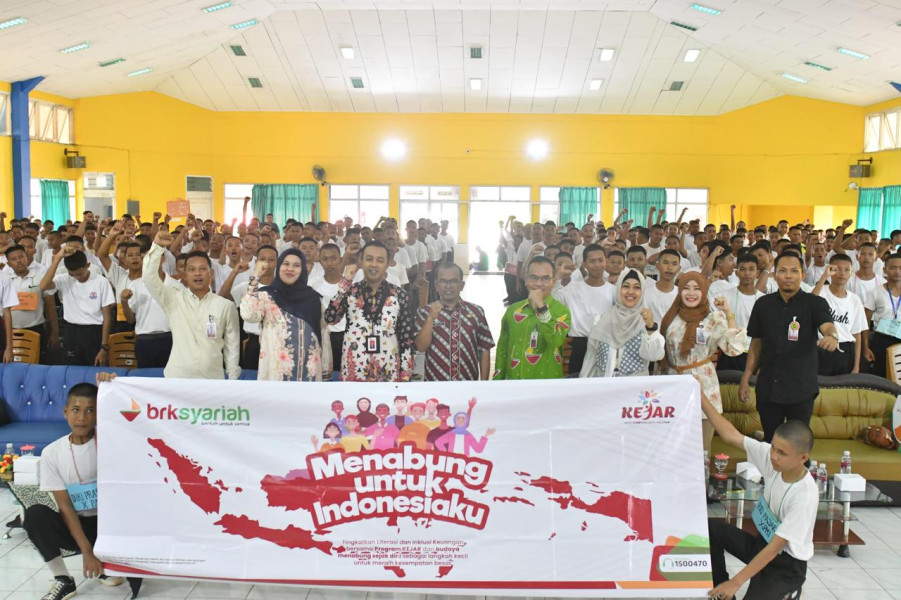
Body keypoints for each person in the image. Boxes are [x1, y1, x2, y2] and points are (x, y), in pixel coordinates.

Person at [702, 391, 817, 600]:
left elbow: (775, 548)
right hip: (761, 544)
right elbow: (730, 435)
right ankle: (722, 593)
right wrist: (700, 396)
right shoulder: (772, 459)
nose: (773, 456)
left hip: (786, 565)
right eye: (773, 447)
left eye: (782, 453)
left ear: (803, 458)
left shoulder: (805, 495)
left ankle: (790, 591)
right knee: (709, 529)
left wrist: (736, 582)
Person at [23, 379, 126, 600]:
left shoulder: (113, 441)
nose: (82, 417)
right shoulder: (53, 452)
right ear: (65, 412)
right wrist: (86, 551)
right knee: (34, 515)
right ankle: (63, 580)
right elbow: (66, 507)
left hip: (111, 525)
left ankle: (105, 564)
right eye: (76, 410)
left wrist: (114, 383)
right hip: (77, 524)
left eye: (90, 410)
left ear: (99, 413)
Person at [741, 253, 838, 443]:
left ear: (802, 275)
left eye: (794, 271)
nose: (788, 276)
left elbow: (827, 324)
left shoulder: (814, 303)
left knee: (797, 444)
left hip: (801, 388)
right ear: (774, 274)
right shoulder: (763, 304)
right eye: (783, 271)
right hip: (769, 386)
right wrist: (745, 377)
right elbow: (756, 344)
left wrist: (832, 336)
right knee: (771, 442)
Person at [660, 272, 746, 451]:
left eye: (697, 289)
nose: (691, 293)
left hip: (704, 385)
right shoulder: (671, 316)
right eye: (686, 288)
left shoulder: (713, 318)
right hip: (674, 383)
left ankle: (702, 479)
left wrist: (728, 313)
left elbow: (733, 348)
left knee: (701, 447)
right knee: (672, 446)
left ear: (704, 292)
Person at [142, 231, 241, 379]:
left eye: (202, 269)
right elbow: (149, 278)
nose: (197, 274)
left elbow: (232, 346)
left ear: (211, 274)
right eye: (191, 270)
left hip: (212, 380)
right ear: (185, 274)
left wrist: (232, 378)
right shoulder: (173, 298)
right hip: (177, 378)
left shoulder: (225, 306)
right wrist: (157, 247)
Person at [324, 241, 415, 382]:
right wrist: (345, 283)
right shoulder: (349, 292)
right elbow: (330, 318)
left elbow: (406, 338)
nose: (374, 264)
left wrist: (405, 374)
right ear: (361, 262)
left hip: (388, 369)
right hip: (354, 368)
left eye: (380, 260)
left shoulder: (399, 295)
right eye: (369, 259)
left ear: (386, 264)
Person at [240, 248, 331, 381]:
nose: (290, 269)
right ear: (279, 266)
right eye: (286, 264)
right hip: (276, 374)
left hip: (309, 375)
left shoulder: (314, 299)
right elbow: (248, 314)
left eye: (296, 265)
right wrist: (255, 277)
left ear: (303, 270)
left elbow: (323, 335)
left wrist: (325, 371)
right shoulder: (266, 295)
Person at [494, 256, 571, 380]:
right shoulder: (513, 310)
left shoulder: (561, 311)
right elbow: (502, 349)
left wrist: (541, 307)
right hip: (514, 383)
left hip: (546, 385)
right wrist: (497, 382)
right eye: (533, 277)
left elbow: (555, 340)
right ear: (526, 279)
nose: (539, 283)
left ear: (554, 281)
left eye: (545, 278)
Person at [415, 262, 494, 381]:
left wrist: (483, 383)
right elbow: (420, 347)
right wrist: (431, 319)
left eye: (453, 281)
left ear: (462, 285)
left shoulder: (476, 312)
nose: (448, 286)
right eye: (443, 281)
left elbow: (485, 349)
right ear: (436, 285)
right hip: (435, 385)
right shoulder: (425, 312)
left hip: (468, 384)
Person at [580, 268, 664, 378]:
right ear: (618, 288)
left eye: (637, 287)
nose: (630, 292)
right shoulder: (601, 320)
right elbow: (590, 359)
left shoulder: (646, 322)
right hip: (605, 388)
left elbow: (654, 356)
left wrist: (650, 328)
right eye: (626, 286)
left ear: (642, 291)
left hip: (635, 390)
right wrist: (585, 386)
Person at [39, 248, 114, 366]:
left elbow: (107, 317)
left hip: (94, 332)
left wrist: (104, 347)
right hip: (71, 331)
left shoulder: (101, 282)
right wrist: (57, 258)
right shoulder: (64, 279)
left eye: (79, 273)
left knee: (94, 369)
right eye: (72, 274)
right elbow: (43, 286)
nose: (77, 277)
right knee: (71, 369)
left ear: (88, 265)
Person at [554, 244, 614, 375]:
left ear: (606, 262)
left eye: (600, 260)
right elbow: (552, 301)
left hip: (605, 344)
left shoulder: (614, 291)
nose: (597, 265)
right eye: (592, 261)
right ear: (584, 264)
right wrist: (558, 277)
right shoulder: (572, 289)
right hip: (580, 345)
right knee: (577, 387)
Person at [812, 255, 866, 376]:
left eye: (847, 270)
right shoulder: (821, 291)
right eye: (838, 269)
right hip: (823, 347)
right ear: (830, 269)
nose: (842, 273)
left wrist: (856, 366)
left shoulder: (855, 300)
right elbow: (811, 302)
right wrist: (824, 276)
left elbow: (856, 334)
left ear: (851, 272)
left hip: (845, 350)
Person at [3, 245, 57, 363]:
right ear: (9, 263)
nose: (19, 261)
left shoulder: (40, 277)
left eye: (21, 257)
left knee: (38, 364)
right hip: (9, 331)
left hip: (36, 329)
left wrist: (54, 332)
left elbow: (50, 306)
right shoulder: (4, 280)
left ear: (26, 257)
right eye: (14, 259)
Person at [713, 254, 764, 372]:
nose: (747, 273)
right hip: (729, 352)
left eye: (751, 269)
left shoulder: (764, 300)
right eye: (742, 269)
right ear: (736, 272)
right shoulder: (723, 296)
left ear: (757, 273)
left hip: (754, 352)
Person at [863, 253, 901, 376]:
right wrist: (865, 346)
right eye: (892, 267)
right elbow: (865, 321)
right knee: (880, 376)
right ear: (885, 270)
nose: (897, 271)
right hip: (881, 340)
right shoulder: (876, 292)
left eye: (900, 268)